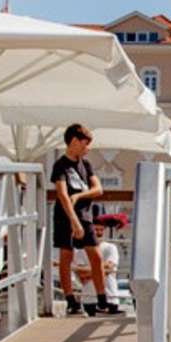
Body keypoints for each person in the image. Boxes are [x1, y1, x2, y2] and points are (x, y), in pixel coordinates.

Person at [52, 123, 118, 315]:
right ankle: (70, 299)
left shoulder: (86, 165)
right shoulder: (61, 165)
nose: (87, 149)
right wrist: (73, 221)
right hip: (65, 216)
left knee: (96, 256)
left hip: (86, 215)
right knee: (67, 256)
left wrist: (80, 196)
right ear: (74, 141)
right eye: (85, 144)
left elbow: (99, 189)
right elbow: (63, 195)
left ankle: (102, 299)